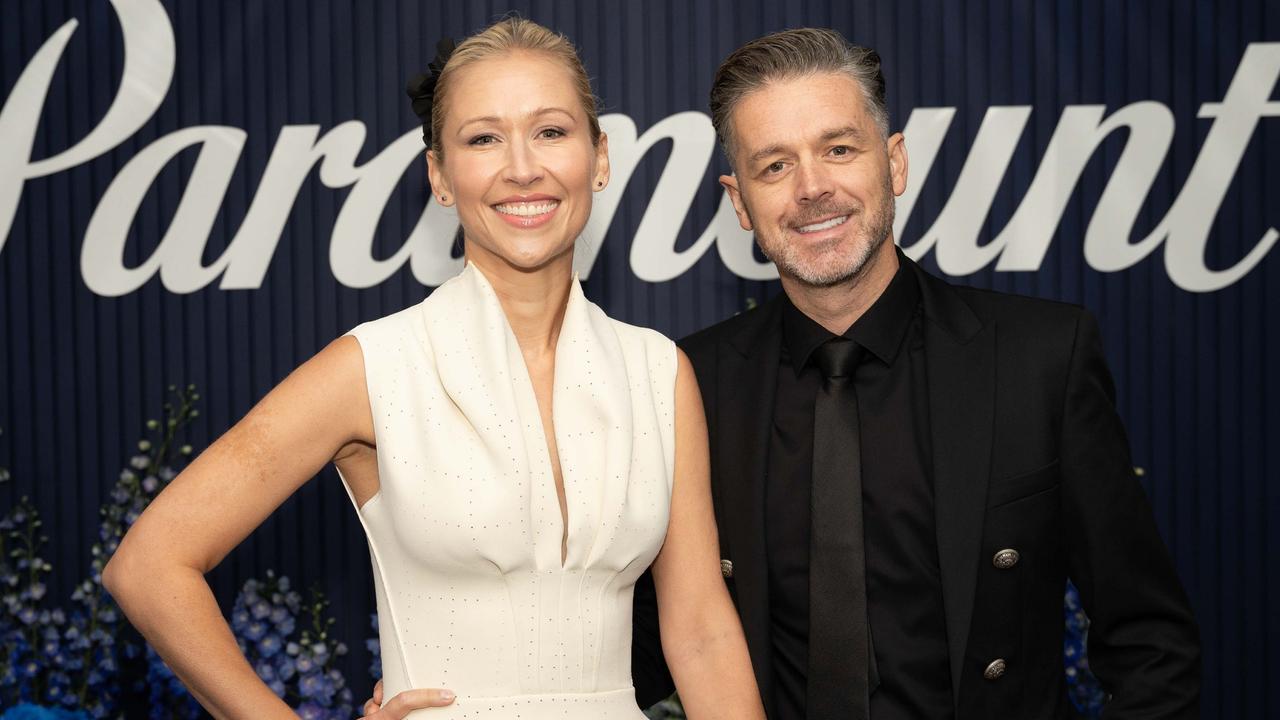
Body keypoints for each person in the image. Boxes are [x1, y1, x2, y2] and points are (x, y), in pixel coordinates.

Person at [368, 26, 1202, 720]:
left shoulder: (1038, 358)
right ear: (739, 203)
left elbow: (1147, 640)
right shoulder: (683, 384)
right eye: (773, 166)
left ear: (895, 161)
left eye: (838, 149)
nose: (812, 190)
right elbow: (614, 632)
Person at [103, 17, 765, 720]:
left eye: (551, 131)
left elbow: (698, 632)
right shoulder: (376, 366)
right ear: (440, 176)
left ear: (599, 158)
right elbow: (149, 567)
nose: (522, 167)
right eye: (483, 138)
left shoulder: (657, 371)